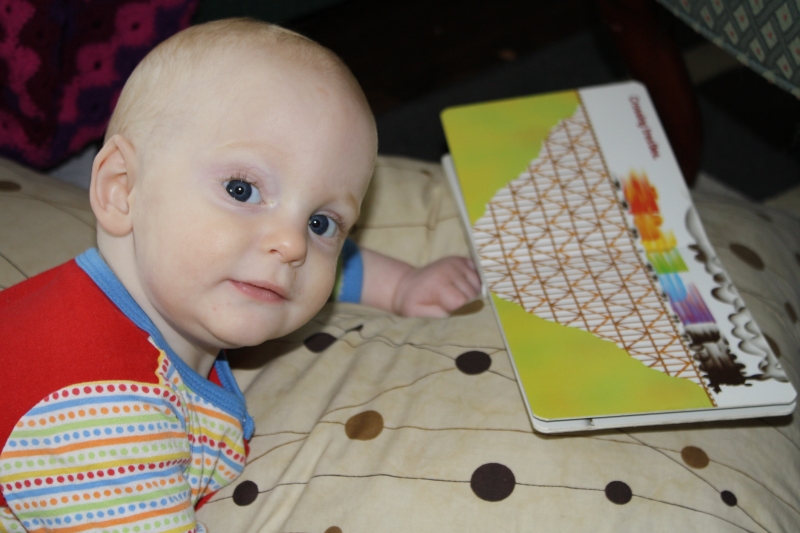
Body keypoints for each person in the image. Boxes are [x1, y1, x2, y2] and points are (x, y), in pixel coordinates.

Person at [0, 18, 480, 532]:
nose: (292, 244)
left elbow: (322, 271)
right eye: (242, 191)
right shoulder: (100, 419)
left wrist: (402, 286)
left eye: (320, 222)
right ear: (122, 188)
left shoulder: (187, 283)